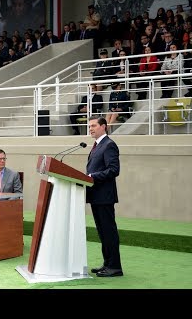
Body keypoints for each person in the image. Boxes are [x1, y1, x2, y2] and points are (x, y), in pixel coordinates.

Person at [86, 115, 123, 277]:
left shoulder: (109, 145)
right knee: (103, 232)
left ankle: (115, 266)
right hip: (96, 196)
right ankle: (107, 263)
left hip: (104, 196)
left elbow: (114, 170)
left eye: (94, 125)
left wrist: (92, 176)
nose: (91, 129)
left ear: (104, 127)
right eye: (89, 126)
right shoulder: (96, 145)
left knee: (109, 232)